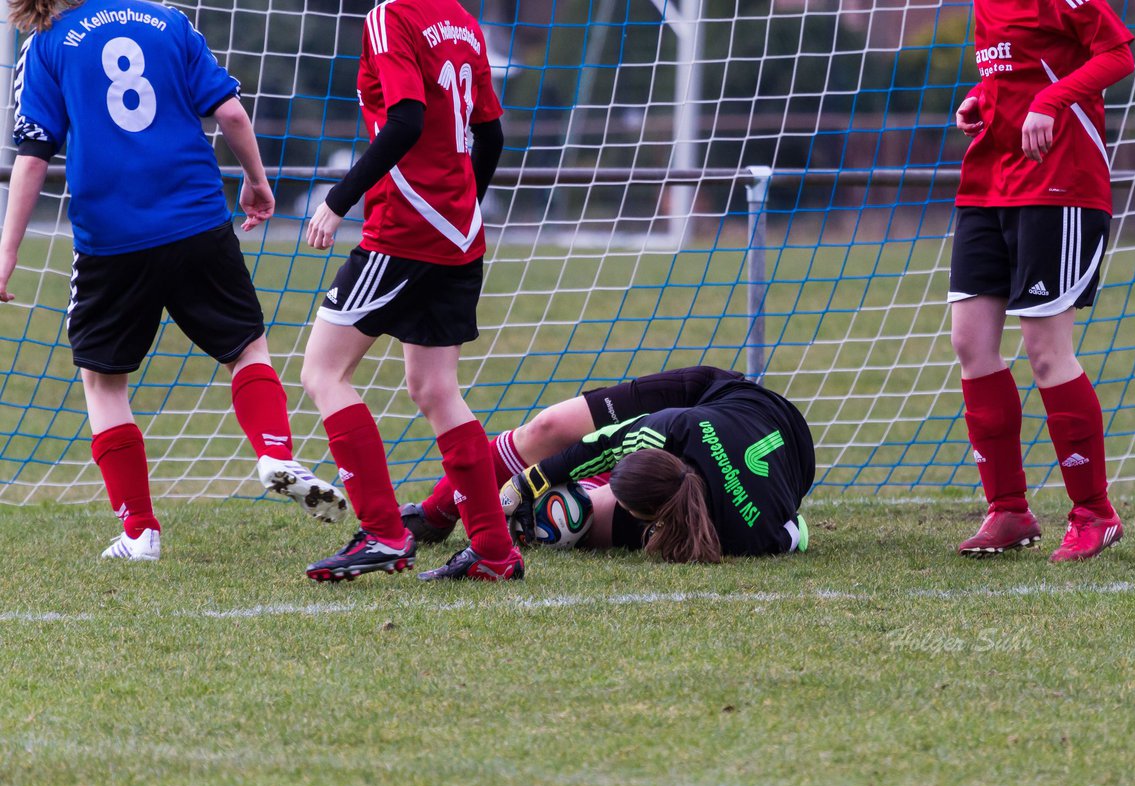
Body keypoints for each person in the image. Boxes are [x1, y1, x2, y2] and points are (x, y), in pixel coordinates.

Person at [0, 0, 347, 561]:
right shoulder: (168, 21)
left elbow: (34, 156)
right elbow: (231, 115)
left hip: (111, 239)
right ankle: (276, 452)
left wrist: (6, 253)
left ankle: (140, 531)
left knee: (103, 381)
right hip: (197, 220)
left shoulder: (46, 41)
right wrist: (257, 182)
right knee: (246, 348)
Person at [298, 0, 519, 583]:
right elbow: (490, 133)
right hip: (460, 234)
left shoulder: (389, 15)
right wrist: (462, 203)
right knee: (436, 389)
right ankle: (495, 552)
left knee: (323, 372)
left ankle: (382, 533)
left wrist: (337, 200)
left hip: (403, 231)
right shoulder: (463, 20)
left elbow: (406, 118)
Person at [948, 0, 1135, 561]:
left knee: (1045, 350)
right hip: (989, 183)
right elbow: (1012, 71)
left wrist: (1052, 102)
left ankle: (1094, 514)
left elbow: (1118, 54)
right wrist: (982, 100)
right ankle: (1008, 511)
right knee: (971, 344)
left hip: (1060, 185)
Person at [404, 366, 815, 574]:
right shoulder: (671, 428)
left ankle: (581, 497)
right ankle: (437, 513)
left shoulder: (750, 536)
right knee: (549, 429)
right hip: (715, 396)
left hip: (791, 454)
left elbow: (795, 528)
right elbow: (602, 445)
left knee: (569, 523)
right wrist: (522, 484)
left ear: (652, 516)